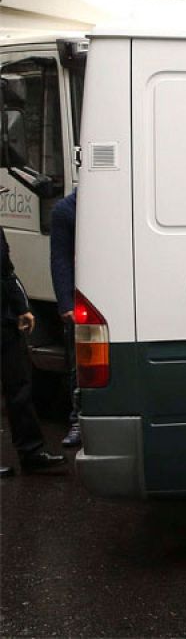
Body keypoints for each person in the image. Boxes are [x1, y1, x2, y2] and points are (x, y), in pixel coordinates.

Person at [1, 229, 67, 477]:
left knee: (19, 386)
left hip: (4, 320)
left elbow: (6, 271)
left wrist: (21, 307)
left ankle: (32, 452)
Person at [51, 190, 80, 449]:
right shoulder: (65, 210)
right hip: (81, 296)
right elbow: (59, 259)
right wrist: (66, 303)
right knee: (78, 364)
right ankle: (77, 419)